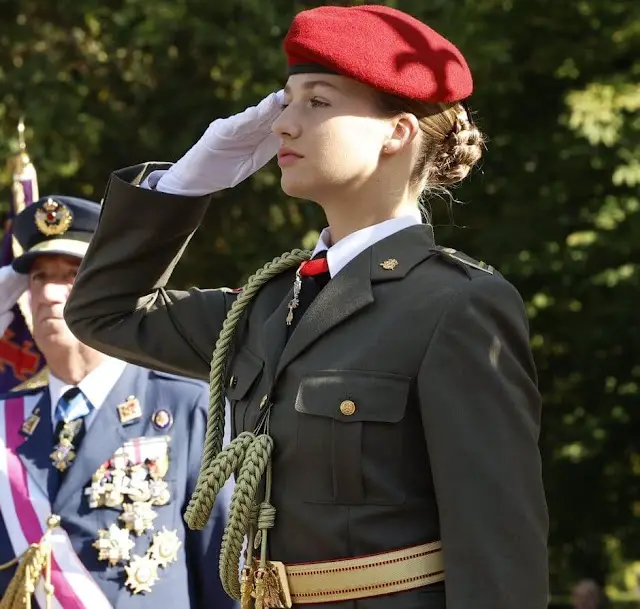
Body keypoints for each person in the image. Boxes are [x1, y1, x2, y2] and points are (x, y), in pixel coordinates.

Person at [65, 5, 549, 609]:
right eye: (285, 102)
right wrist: (187, 183)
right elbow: (102, 313)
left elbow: (499, 555)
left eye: (316, 103)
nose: (282, 127)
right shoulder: (265, 304)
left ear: (397, 132)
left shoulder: (457, 305)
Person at [0, 195, 237, 609]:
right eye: (39, 277)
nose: (50, 295)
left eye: (71, 275)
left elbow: (227, 575)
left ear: (105, 291)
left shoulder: (187, 408)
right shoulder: (6, 420)